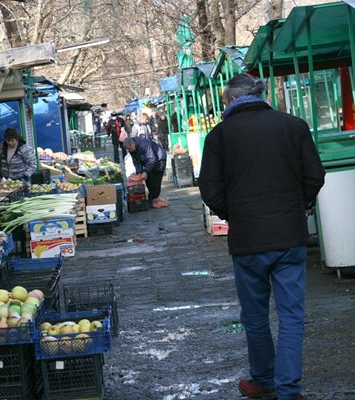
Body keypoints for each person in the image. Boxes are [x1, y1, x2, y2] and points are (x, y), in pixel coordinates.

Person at [198, 74, 325, 400]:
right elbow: (315, 175)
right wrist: (300, 205)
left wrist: (234, 214)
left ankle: (263, 380)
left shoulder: (218, 136)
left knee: (254, 317)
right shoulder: (293, 126)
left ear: (229, 100)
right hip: (289, 237)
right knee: (292, 316)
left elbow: (209, 189)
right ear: (262, 96)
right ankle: (287, 390)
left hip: (248, 240)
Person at [123, 136, 168, 208]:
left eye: (130, 148)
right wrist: (139, 172)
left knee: (155, 179)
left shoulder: (143, 144)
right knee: (148, 180)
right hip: (148, 161)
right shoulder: (132, 150)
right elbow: (136, 162)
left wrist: (146, 171)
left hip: (159, 159)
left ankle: (153, 199)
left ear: (133, 143)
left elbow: (151, 159)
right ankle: (152, 199)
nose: (130, 151)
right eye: (128, 150)